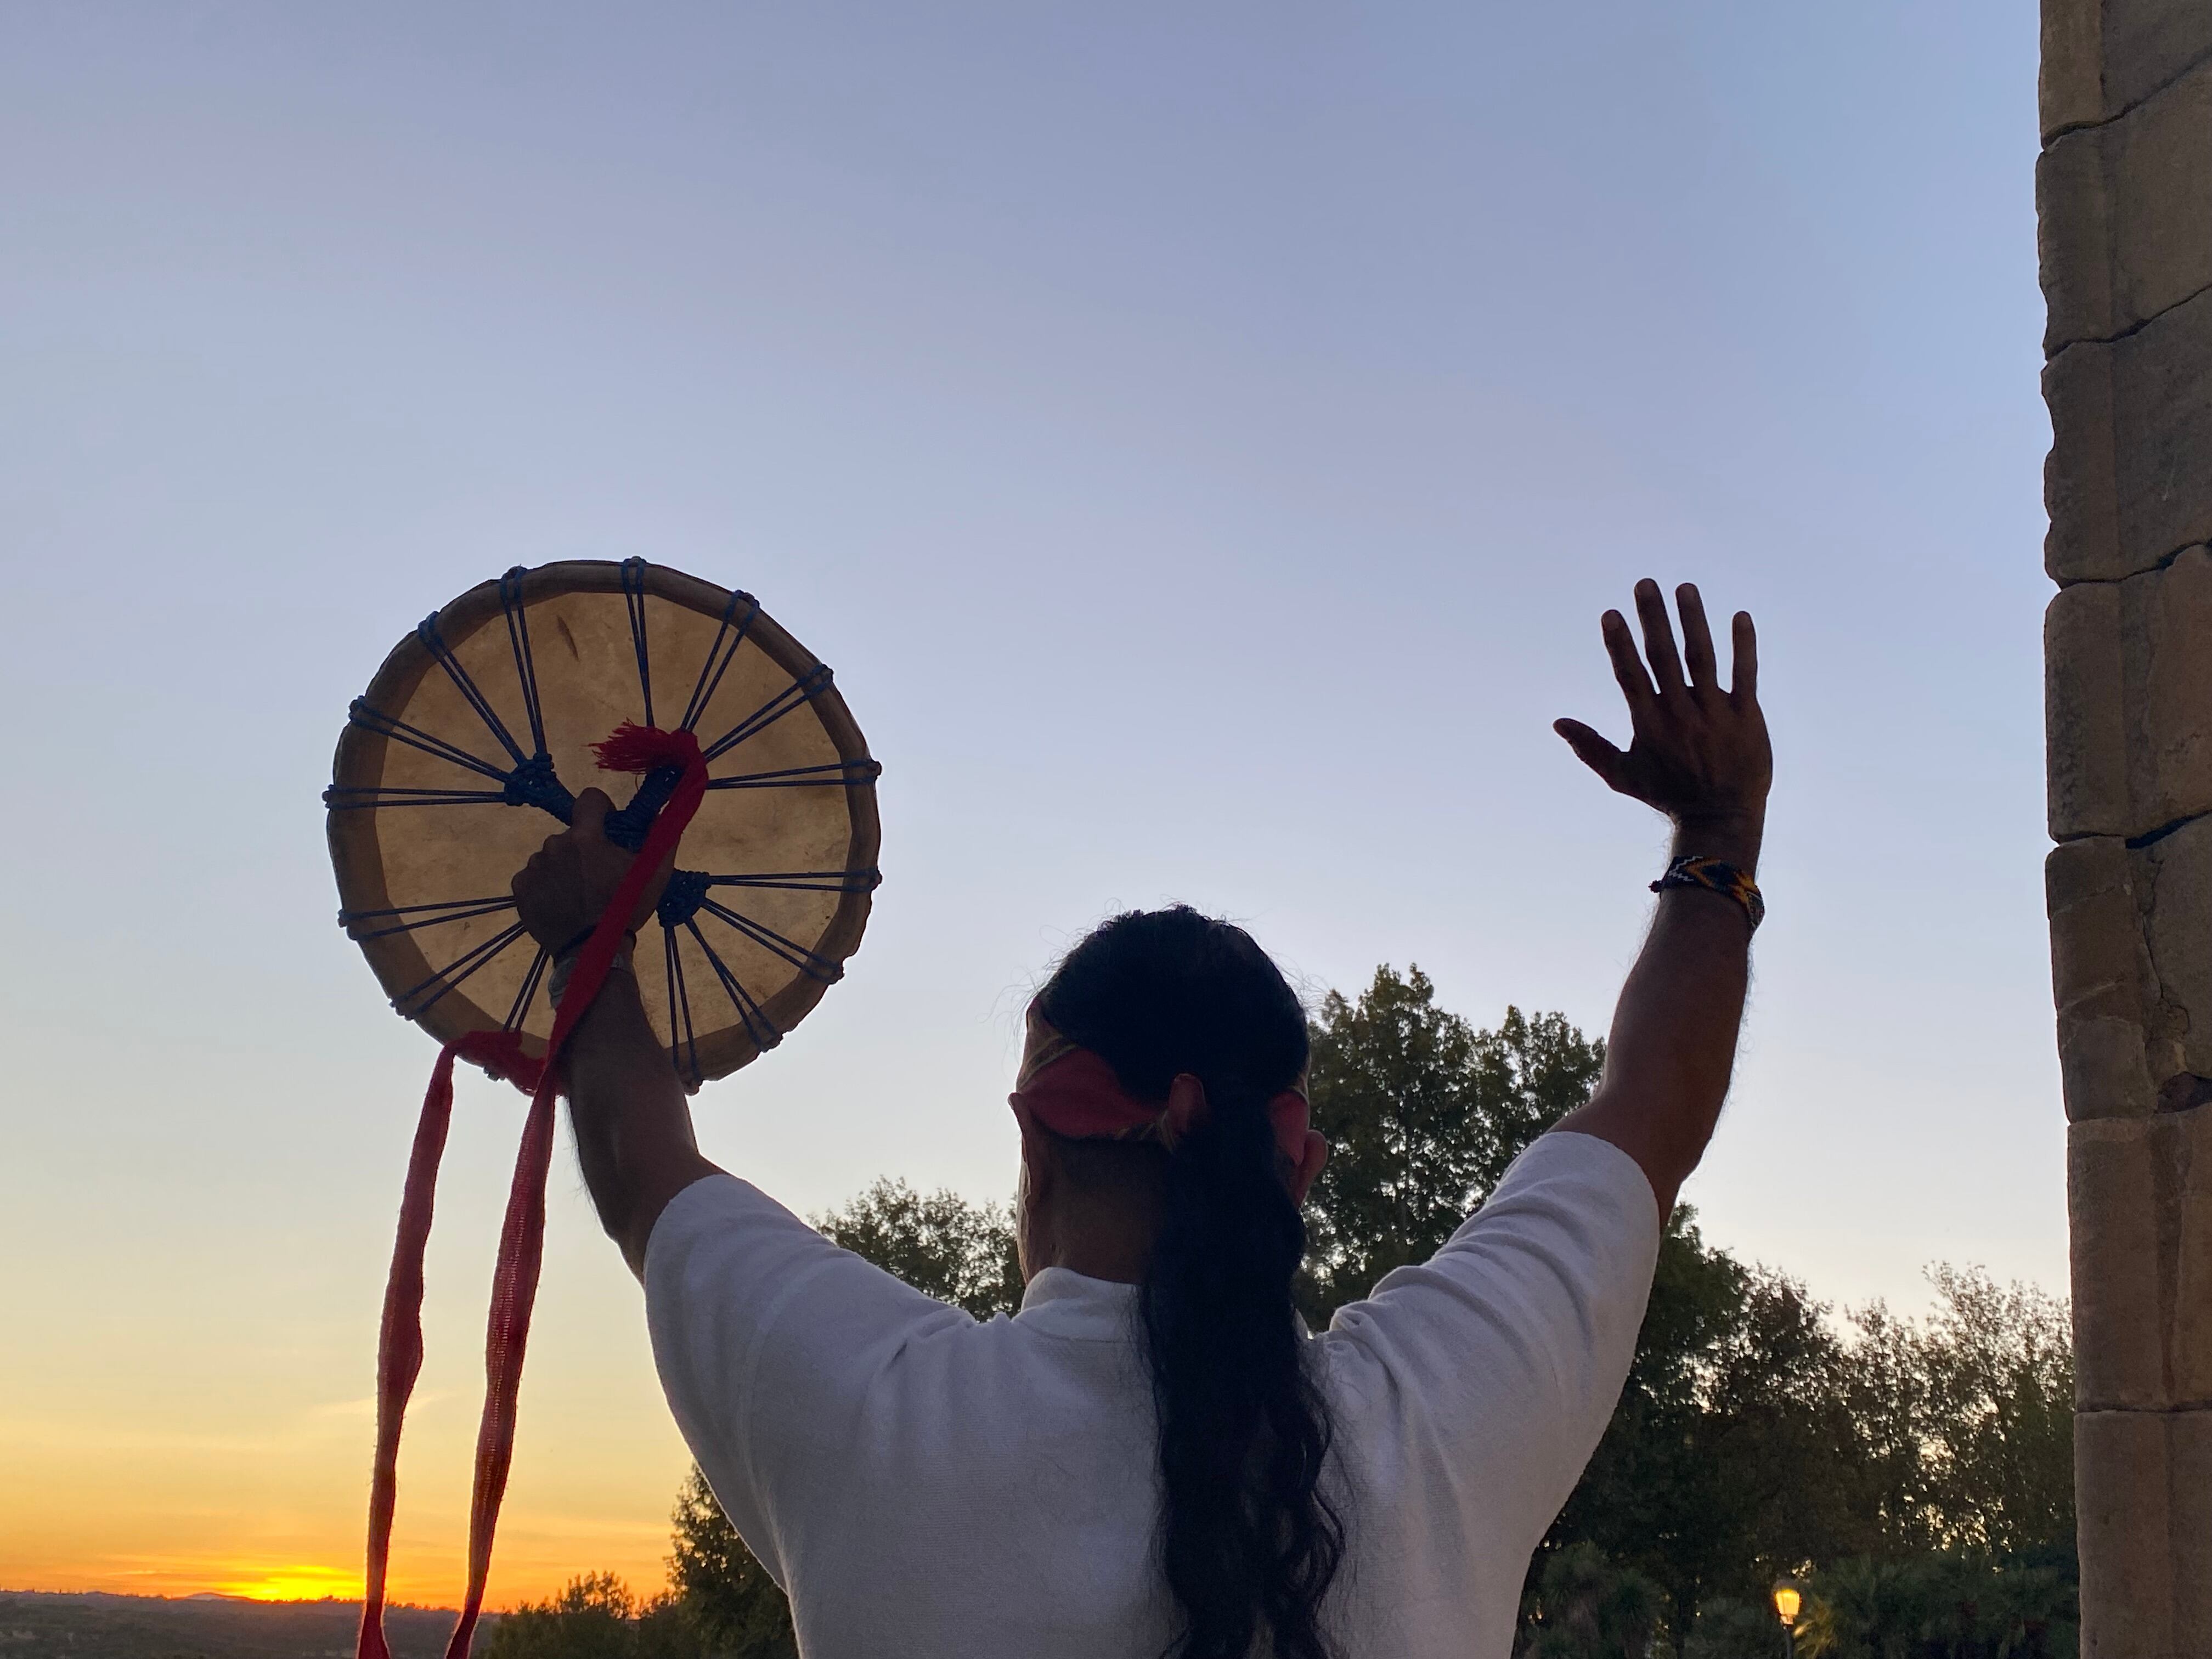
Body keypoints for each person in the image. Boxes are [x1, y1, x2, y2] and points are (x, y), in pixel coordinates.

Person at [511, 579, 1771, 1659]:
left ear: (1036, 1132)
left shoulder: (868, 1408)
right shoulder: (1439, 1423)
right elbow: (1648, 1112)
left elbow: (640, 1162)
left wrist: (591, 940)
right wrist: (1717, 837)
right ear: (1300, 1165)